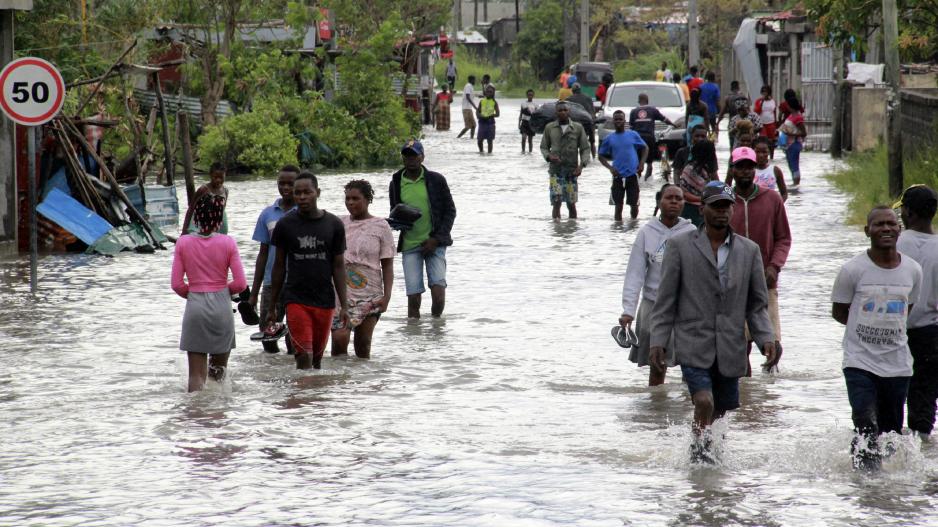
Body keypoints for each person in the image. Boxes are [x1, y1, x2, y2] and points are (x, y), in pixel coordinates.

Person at [649, 181, 778, 463]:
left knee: (721, 410)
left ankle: (711, 461)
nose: (722, 212)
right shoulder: (680, 246)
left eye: (726, 206)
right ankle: (698, 453)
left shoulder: (749, 251)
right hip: (693, 342)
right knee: (704, 401)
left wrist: (766, 338)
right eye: (716, 206)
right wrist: (658, 341)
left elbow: (756, 305)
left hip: (730, 345)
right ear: (702, 208)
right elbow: (665, 300)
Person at [831, 206, 922, 470]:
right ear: (867, 231)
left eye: (891, 224)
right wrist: (866, 327)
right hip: (859, 361)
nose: (885, 229)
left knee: (891, 432)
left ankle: (882, 488)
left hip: (897, 364)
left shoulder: (913, 270)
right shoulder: (852, 270)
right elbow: (839, 312)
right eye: (878, 224)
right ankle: (866, 481)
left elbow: (908, 309)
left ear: (899, 229)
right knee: (864, 421)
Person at [268, 172, 350, 370]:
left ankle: (313, 400)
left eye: (307, 192)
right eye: (298, 193)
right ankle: (300, 399)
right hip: (296, 298)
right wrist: (273, 305)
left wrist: (344, 305)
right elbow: (279, 265)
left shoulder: (334, 225)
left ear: (318, 193)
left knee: (317, 360)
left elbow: (338, 266)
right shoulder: (285, 225)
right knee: (303, 355)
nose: (302, 197)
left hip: (325, 300)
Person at [620, 184, 695, 385]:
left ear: (684, 203)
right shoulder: (647, 232)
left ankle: (690, 407)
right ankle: (656, 407)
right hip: (653, 306)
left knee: (690, 364)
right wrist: (628, 310)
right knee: (656, 362)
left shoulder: (691, 231)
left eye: (678, 199)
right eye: (669, 197)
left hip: (683, 308)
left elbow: (699, 274)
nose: (674, 202)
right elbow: (635, 273)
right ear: (658, 201)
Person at [172, 194, 247, 392]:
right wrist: (222, 292)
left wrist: (196, 294)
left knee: (196, 377)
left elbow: (177, 284)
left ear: (196, 216)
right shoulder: (228, 243)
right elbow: (240, 284)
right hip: (222, 308)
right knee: (218, 374)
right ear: (220, 219)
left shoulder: (183, 243)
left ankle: (196, 416)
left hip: (195, 306)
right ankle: (219, 416)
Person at [728, 147, 792, 375]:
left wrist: (774, 266)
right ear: (732, 170)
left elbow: (784, 238)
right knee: (738, 345)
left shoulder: (772, 199)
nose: (745, 171)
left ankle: (768, 399)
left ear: (755, 169)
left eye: (749, 167)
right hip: (732, 284)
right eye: (740, 167)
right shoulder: (724, 201)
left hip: (766, 281)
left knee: (772, 344)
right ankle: (743, 397)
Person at [389, 140, 457, 319]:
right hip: (410, 245)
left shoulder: (436, 180)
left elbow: (450, 211)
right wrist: (396, 222)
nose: (410, 159)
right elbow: (394, 212)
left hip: (435, 244)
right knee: (413, 299)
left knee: (439, 296)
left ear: (422, 157)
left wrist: (436, 239)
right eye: (407, 155)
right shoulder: (396, 181)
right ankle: (414, 339)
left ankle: (436, 330)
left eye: (414, 155)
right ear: (403, 158)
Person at [330, 180, 395, 359]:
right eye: (347, 199)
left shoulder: (381, 226)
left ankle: (362, 383)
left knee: (363, 345)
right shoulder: (338, 223)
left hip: (371, 292)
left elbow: (387, 264)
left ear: (367, 200)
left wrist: (387, 296)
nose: (350, 203)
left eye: (355, 198)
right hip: (342, 292)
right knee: (339, 339)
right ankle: (338, 383)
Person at [894, 185, 938, 439]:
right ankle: (922, 459)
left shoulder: (894, 244)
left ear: (908, 213)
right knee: (924, 402)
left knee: (891, 397)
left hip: (896, 331)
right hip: (932, 336)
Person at [249, 165, 299, 354]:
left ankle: (293, 374)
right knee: (267, 333)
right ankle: (273, 372)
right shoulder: (268, 214)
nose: (286, 187)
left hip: (296, 283)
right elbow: (263, 254)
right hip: (271, 282)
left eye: (290, 183)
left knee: (295, 338)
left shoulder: (303, 212)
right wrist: (254, 293)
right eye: (281, 183)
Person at [540, 101, 591, 220]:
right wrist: (549, 157)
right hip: (555, 172)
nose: (563, 112)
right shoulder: (550, 128)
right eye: (560, 110)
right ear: (556, 113)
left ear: (569, 112)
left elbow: (585, 148)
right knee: (556, 202)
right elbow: (544, 147)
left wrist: (581, 166)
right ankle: (557, 229)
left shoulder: (577, 128)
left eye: (565, 110)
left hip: (571, 172)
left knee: (571, 203)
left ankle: (571, 228)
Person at [599, 110, 648, 221]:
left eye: (620, 119)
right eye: (616, 119)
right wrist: (610, 168)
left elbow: (645, 148)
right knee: (618, 206)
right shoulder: (609, 138)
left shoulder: (633, 134)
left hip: (632, 174)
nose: (618, 121)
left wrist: (641, 164)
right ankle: (618, 231)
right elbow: (600, 156)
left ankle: (633, 226)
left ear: (624, 121)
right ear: (613, 121)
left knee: (634, 205)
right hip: (618, 175)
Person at [629, 93, 675, 181]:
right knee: (649, 162)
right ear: (648, 101)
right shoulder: (653, 110)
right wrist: (674, 124)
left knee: (637, 161)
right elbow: (664, 119)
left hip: (637, 139)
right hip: (649, 138)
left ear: (638, 101)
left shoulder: (633, 112)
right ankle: (647, 180)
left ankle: (638, 180)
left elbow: (631, 129)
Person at [677, 139, 718, 227]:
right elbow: (684, 194)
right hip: (690, 210)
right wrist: (703, 199)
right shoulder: (690, 169)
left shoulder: (709, 170)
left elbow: (717, 187)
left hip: (706, 209)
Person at [182, 162, 229, 234]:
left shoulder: (225, 190)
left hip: (219, 221)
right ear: (210, 175)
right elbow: (191, 209)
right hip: (203, 221)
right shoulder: (203, 189)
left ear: (225, 175)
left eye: (221, 177)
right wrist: (184, 231)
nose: (218, 180)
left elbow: (223, 208)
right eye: (215, 177)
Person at [779, 99, 807, 186]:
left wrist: (789, 133)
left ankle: (796, 184)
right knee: (791, 164)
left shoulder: (798, 118)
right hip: (788, 145)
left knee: (794, 165)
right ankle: (794, 183)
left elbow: (804, 133)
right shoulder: (791, 116)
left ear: (791, 106)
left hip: (794, 144)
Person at [566, 83, 597, 156]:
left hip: (575, 125)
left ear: (572, 91)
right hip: (588, 123)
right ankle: (594, 158)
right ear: (580, 90)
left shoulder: (569, 99)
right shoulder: (588, 98)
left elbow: (567, 114)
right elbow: (592, 111)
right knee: (592, 142)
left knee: (572, 143)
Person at [476, 84, 500, 154]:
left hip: (490, 123)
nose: (489, 93)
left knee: (490, 141)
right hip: (482, 122)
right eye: (488, 91)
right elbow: (477, 111)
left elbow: (498, 114)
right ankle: (481, 152)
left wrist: (491, 115)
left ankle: (489, 154)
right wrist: (479, 115)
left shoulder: (494, 102)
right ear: (485, 92)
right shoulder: (482, 101)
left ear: (493, 93)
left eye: (490, 92)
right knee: (479, 140)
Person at [755, 85, 778, 158]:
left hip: (771, 123)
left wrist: (776, 124)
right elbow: (757, 111)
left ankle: (771, 156)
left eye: (766, 91)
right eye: (763, 91)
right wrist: (762, 103)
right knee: (763, 139)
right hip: (762, 123)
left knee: (771, 140)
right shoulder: (759, 101)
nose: (764, 93)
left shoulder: (773, 101)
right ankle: (763, 155)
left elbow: (774, 112)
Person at [699, 72, 721, 141]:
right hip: (712, 110)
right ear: (714, 78)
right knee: (713, 125)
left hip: (702, 110)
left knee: (705, 126)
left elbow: (699, 98)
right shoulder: (715, 87)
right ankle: (713, 140)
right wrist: (720, 110)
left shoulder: (701, 86)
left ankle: (704, 139)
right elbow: (717, 100)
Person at [457, 75, 477, 139]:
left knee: (473, 125)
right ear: (471, 80)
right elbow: (468, 97)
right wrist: (475, 107)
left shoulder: (470, 86)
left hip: (468, 108)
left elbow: (470, 95)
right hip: (466, 109)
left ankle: (471, 138)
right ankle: (458, 137)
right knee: (468, 126)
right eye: (474, 80)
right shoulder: (468, 86)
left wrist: (478, 95)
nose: (475, 81)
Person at [519, 89, 537, 154]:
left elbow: (536, 115)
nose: (530, 96)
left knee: (530, 140)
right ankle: (523, 151)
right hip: (524, 122)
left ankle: (530, 152)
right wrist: (519, 123)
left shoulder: (535, 105)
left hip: (531, 123)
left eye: (531, 95)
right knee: (523, 138)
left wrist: (536, 124)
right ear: (527, 95)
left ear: (533, 96)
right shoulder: (523, 104)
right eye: (529, 95)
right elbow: (521, 114)